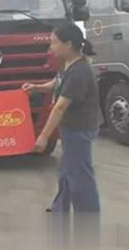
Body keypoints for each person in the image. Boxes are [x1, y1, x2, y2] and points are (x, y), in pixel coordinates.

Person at [23, 22, 101, 212]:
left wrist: (44, 136)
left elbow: (59, 108)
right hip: (70, 129)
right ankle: (60, 210)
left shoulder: (80, 71)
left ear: (68, 44)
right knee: (66, 173)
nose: (51, 47)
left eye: (54, 42)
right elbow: (57, 83)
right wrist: (37, 87)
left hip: (79, 130)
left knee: (80, 176)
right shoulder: (67, 64)